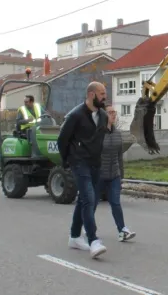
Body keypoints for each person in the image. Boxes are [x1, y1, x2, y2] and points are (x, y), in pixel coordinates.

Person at [57, 81, 112, 258]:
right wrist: (67, 160)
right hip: (79, 162)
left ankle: (74, 237)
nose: (105, 96)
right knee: (88, 198)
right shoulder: (75, 115)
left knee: (88, 200)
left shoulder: (103, 116)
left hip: (95, 162)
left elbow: (104, 134)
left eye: (105, 93)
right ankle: (93, 240)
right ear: (91, 94)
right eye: (102, 93)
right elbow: (62, 140)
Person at [94, 105, 135, 242]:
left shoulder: (117, 134)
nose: (113, 115)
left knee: (115, 203)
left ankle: (122, 230)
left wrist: (121, 177)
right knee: (92, 203)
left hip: (114, 176)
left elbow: (119, 157)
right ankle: (85, 228)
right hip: (99, 176)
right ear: (104, 114)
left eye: (114, 112)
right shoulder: (97, 133)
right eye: (110, 112)